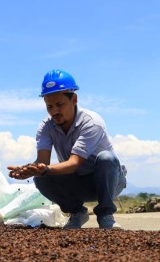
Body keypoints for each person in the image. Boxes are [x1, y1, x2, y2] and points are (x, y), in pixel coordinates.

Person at [8, 69, 127, 229]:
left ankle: (106, 215)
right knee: (41, 177)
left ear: (74, 99)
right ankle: (77, 212)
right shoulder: (46, 126)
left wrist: (43, 169)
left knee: (106, 157)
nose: (54, 111)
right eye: (49, 106)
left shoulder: (92, 122)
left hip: (109, 182)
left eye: (60, 104)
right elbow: (42, 163)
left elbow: (74, 163)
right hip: (77, 182)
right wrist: (29, 169)